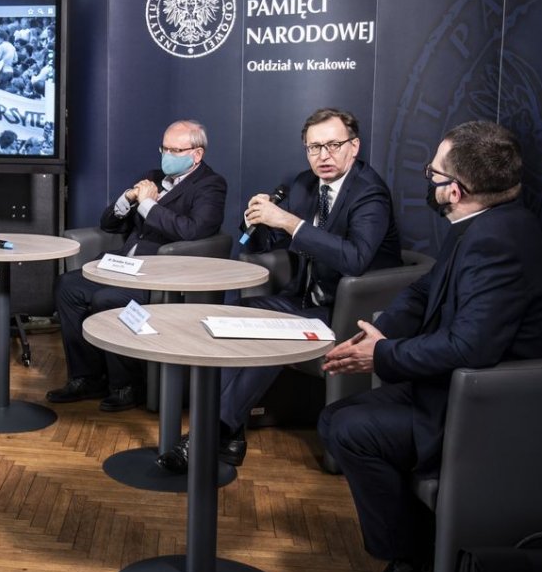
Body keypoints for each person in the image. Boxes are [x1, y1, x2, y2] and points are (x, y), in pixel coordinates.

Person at [318, 121, 542, 572]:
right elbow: (425, 291)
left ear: (455, 190)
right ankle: (417, 546)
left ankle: (409, 564)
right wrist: (377, 331)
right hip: (450, 390)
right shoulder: (484, 222)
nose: (427, 179)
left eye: (433, 173)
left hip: (485, 413)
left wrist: (381, 355)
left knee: (347, 428)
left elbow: (468, 347)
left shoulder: (497, 241)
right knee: (340, 418)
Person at [157, 108, 401, 473]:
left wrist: (289, 221)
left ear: (354, 147)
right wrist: (255, 222)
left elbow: (356, 258)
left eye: (333, 145)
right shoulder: (304, 184)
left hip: (348, 309)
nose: (323, 156)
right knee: (233, 317)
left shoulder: (370, 193)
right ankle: (230, 434)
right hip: (302, 298)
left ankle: (206, 436)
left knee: (274, 334)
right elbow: (267, 243)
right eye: (314, 147)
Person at [48, 120, 227, 412]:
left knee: (107, 299)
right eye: (164, 149)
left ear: (197, 154)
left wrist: (147, 206)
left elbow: (194, 230)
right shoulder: (152, 177)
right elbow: (108, 223)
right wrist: (129, 198)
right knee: (68, 286)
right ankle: (86, 378)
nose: (167, 155)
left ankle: (126, 386)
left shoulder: (211, 185)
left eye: (176, 150)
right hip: (122, 264)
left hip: (159, 274)